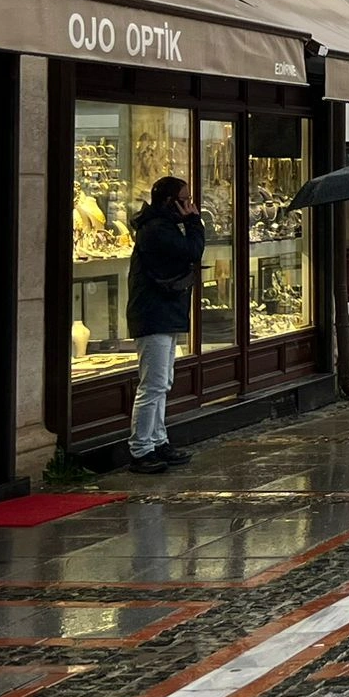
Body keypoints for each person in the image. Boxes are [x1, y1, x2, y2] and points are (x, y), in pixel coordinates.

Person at [125, 176, 205, 475]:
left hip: (164, 313)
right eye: (185, 200)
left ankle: (158, 441)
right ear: (170, 202)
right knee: (153, 385)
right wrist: (195, 223)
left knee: (163, 382)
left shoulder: (163, 226)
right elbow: (192, 251)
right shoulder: (156, 229)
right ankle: (141, 449)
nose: (190, 205)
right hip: (154, 315)